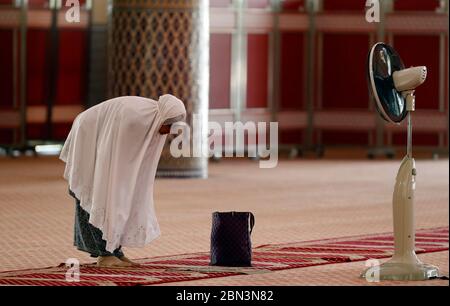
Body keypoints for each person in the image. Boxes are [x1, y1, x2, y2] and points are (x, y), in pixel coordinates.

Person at [60, 95, 186, 267]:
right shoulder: (136, 120)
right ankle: (104, 254)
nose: (169, 131)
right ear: (164, 118)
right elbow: (111, 158)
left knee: (116, 198)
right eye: (169, 126)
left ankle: (114, 251)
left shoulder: (151, 120)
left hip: (102, 140)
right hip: (88, 134)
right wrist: (109, 183)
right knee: (98, 192)